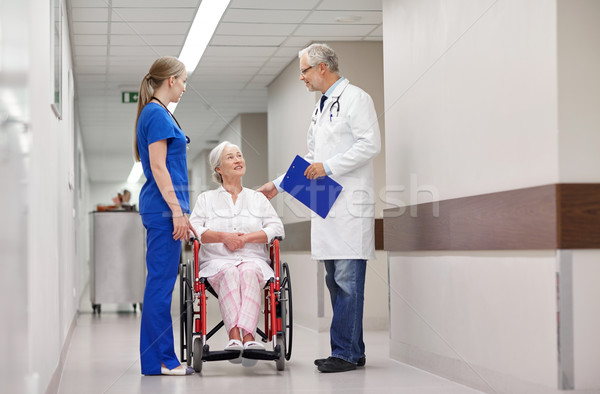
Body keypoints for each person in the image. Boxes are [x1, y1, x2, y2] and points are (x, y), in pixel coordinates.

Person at [258, 43, 381, 373]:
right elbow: (312, 159)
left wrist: (330, 166)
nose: (302, 77)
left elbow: (371, 144)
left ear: (322, 67)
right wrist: (278, 183)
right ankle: (353, 349)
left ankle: (343, 353)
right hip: (327, 207)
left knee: (348, 283)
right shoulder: (321, 107)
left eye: (304, 70)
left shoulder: (356, 98)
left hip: (350, 206)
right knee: (334, 281)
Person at [189, 141, 284, 367]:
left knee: (249, 270)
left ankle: (248, 339)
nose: (238, 160)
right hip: (217, 262)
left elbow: (277, 228)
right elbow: (194, 230)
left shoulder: (258, 199)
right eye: (230, 157)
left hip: (253, 259)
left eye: (239, 155)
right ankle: (235, 336)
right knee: (230, 271)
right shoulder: (206, 199)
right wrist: (224, 237)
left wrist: (246, 239)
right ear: (218, 169)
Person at [134, 56, 197, 376]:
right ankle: (163, 359)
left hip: (161, 209)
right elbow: (159, 167)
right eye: (183, 80)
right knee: (160, 286)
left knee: (159, 284)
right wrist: (176, 211)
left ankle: (155, 360)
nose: (185, 87)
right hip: (162, 210)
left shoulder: (157, 113)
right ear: (170, 79)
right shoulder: (157, 114)